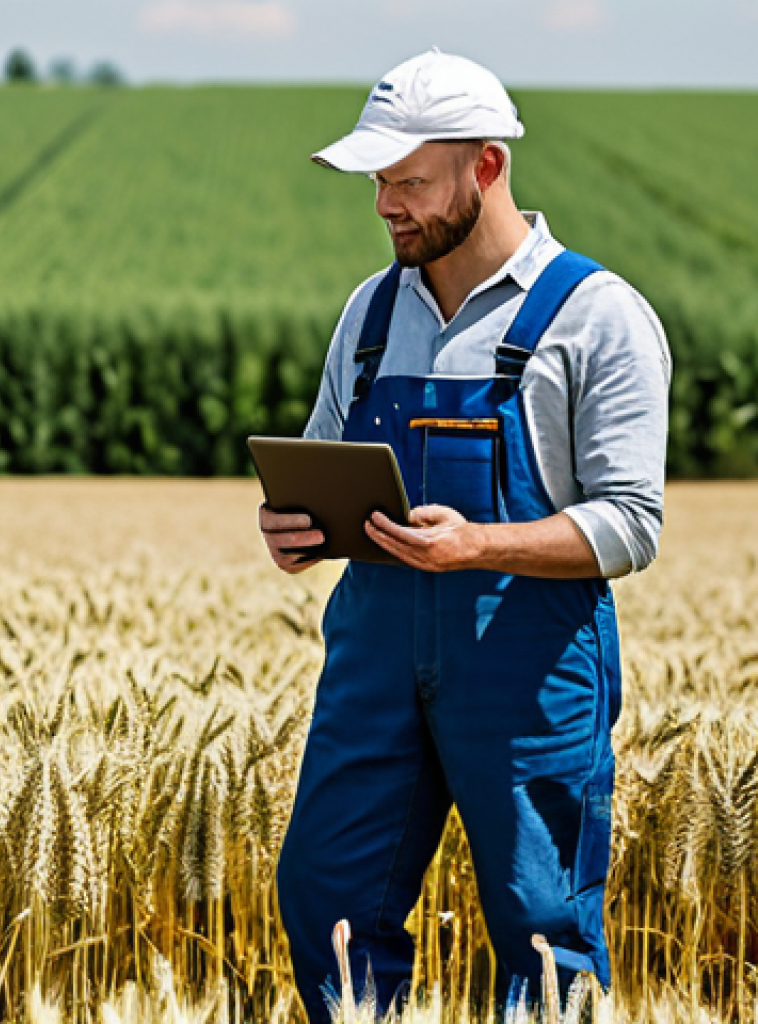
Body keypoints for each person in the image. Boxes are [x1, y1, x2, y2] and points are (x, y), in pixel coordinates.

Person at [259, 48, 671, 1022]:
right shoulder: (367, 314)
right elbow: (325, 455)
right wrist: (298, 529)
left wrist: (478, 546)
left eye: (406, 180)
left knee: (542, 924)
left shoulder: (595, 317)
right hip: (371, 661)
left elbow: (631, 523)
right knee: (328, 901)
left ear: (484, 167)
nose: (383, 204)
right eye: (377, 181)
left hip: (525, 671)